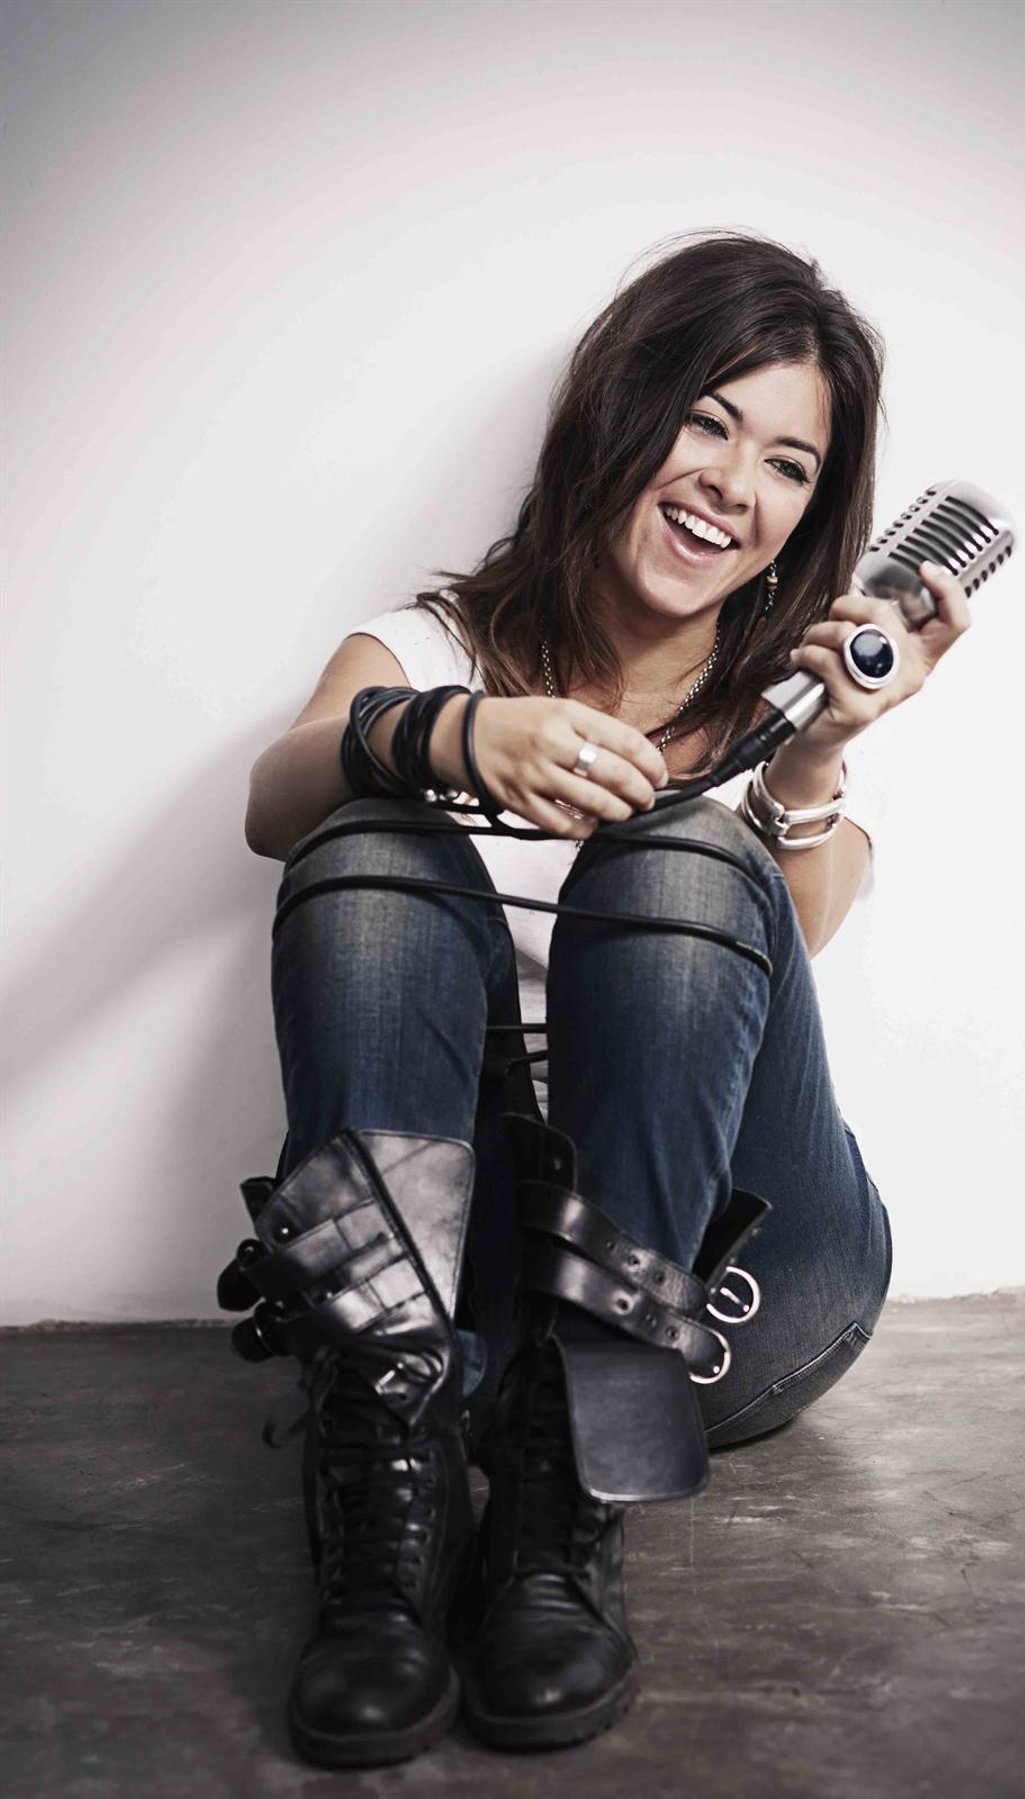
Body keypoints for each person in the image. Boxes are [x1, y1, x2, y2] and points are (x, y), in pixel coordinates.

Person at [229, 230, 972, 1768]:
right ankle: (389, 1489)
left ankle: (567, 1499)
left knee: (687, 859)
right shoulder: (431, 646)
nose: (732, 486)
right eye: (706, 422)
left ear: (812, 515)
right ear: (621, 414)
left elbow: (798, 940)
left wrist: (816, 750)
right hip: (469, 1288)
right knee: (364, 827)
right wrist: (450, 734)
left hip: (738, 1292)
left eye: (787, 465)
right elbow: (272, 803)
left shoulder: (783, 708)